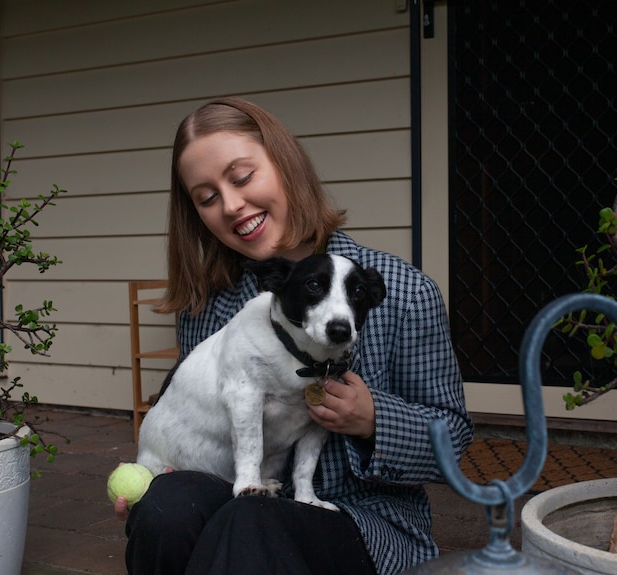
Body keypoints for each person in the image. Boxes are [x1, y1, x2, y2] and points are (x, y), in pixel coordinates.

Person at [116, 97, 474, 575]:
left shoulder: (406, 292)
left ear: (287, 166)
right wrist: (158, 472)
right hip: (236, 491)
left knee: (248, 522)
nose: (232, 204)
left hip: (361, 521)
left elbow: (454, 437)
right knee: (166, 511)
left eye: (242, 177)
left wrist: (374, 420)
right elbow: (190, 405)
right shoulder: (213, 302)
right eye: (206, 197)